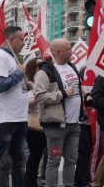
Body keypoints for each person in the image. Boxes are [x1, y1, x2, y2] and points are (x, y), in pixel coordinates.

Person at [34, 38, 84, 187]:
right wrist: (61, 94)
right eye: (68, 49)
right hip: (56, 125)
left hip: (74, 124)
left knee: (71, 160)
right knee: (54, 161)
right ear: (58, 52)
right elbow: (39, 96)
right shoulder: (45, 71)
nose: (72, 51)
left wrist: (85, 96)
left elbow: (76, 90)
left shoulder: (72, 67)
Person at [0, 26, 29, 187]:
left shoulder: (11, 58)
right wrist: (19, 74)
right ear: (11, 40)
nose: (24, 43)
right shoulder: (1, 57)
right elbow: (0, 85)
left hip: (17, 117)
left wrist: (26, 85)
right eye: (22, 39)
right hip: (5, 118)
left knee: (18, 161)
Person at [23, 58, 46, 187]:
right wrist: (40, 95)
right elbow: (27, 103)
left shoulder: (44, 82)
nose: (42, 67)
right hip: (34, 124)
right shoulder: (29, 84)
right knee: (34, 156)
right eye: (39, 65)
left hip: (47, 122)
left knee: (44, 156)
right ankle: (29, 182)